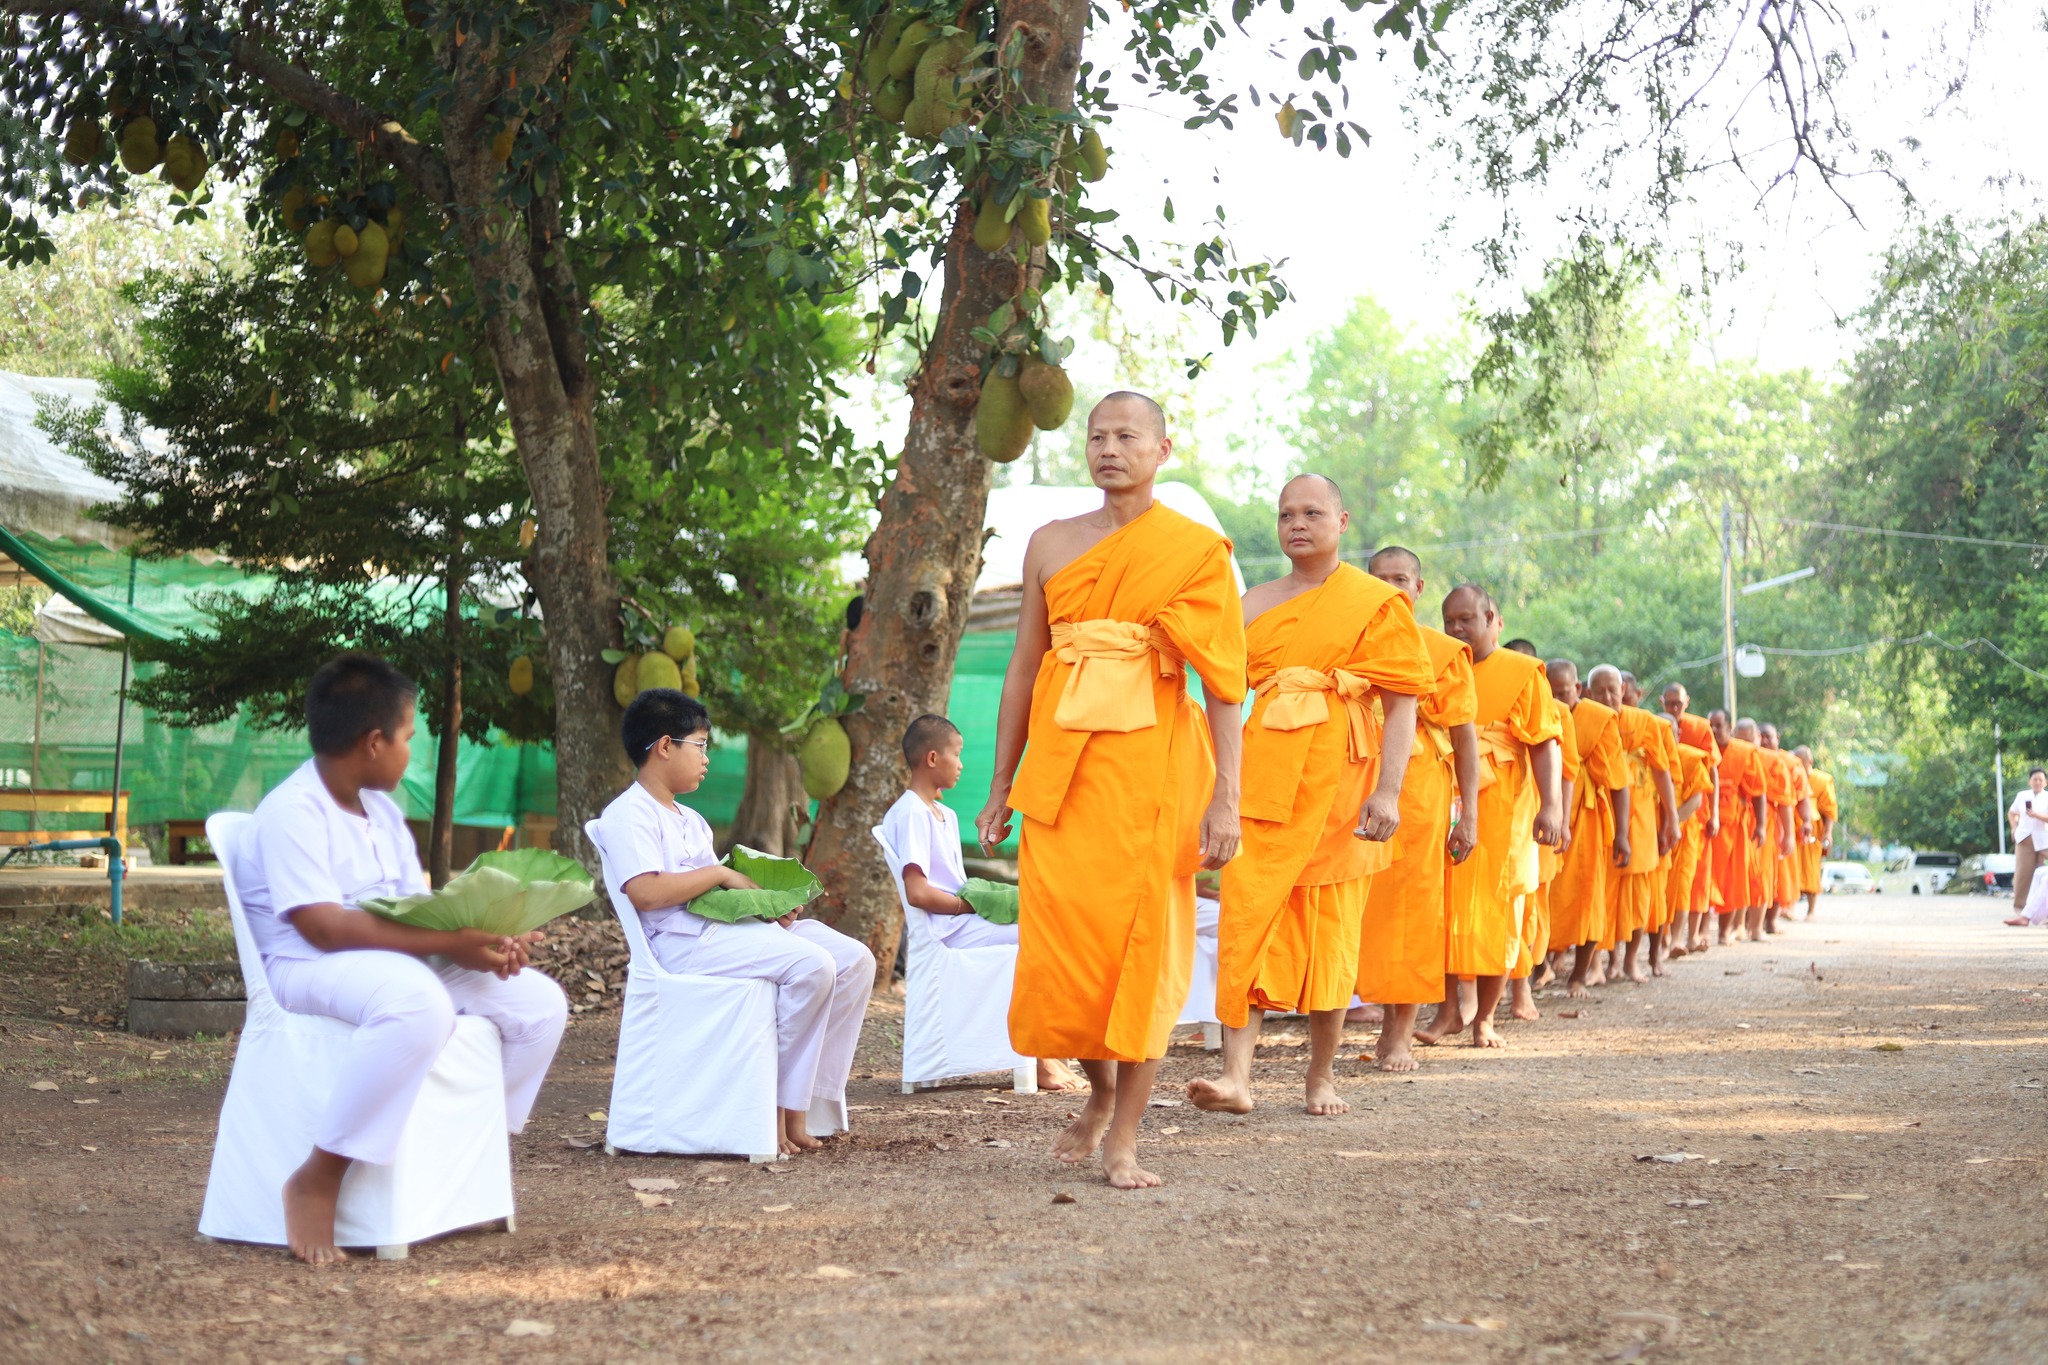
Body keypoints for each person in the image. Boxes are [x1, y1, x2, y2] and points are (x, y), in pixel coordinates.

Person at [975, 391, 1246, 1189]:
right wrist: (1000, 781)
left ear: (1163, 449)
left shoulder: (1196, 551)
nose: (1109, 447)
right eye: (1097, 435)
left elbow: (1225, 685)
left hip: (1155, 776)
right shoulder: (1050, 544)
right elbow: (1024, 668)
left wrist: (1225, 796)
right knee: (1065, 955)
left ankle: (1125, 1136)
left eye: (1128, 435)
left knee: (1144, 953)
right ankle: (1096, 1093)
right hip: (1064, 777)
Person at [231, 654, 568, 1264]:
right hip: (307, 966)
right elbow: (323, 927)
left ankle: (466, 1150)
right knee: (419, 1005)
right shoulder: (293, 812)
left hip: (392, 959)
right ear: (374, 741)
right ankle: (320, 1174)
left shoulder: (380, 810)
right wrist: (447, 946)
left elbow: (418, 909)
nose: (413, 750)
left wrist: (485, 937)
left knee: (540, 1006)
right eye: (410, 737)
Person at [1189, 477, 1431, 1117]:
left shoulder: (1376, 603)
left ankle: (1320, 1077)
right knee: (1246, 919)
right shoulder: (1250, 604)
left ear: (1342, 520)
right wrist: (1221, 788)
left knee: (1331, 932)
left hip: (1342, 783)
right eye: (1286, 514)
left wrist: (1388, 791)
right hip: (1264, 778)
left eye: (1312, 512)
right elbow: (1222, 694)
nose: (1298, 523)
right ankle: (1237, 1078)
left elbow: (1402, 700)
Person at [592, 689, 874, 1158]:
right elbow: (645, 892)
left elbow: (717, 897)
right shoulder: (628, 814)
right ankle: (778, 1111)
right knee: (813, 967)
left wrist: (766, 906)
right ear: (665, 746)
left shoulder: (692, 820)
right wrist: (722, 872)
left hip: (721, 932)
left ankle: (808, 1106)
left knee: (854, 961)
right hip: (680, 944)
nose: (706, 758)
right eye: (699, 746)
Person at [882, 714, 1082, 1092]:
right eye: (956, 755)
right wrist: (972, 906)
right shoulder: (910, 814)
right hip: (948, 930)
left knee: (1051, 930)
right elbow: (918, 893)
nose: (961, 764)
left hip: (961, 923)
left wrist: (979, 900)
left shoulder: (944, 813)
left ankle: (1046, 1049)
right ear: (931, 758)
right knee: (1038, 940)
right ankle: (1039, 1060)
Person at [1414, 586, 1562, 1048]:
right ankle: (1448, 1013)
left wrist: (1553, 805)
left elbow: (1544, 741)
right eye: (1448, 621)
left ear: (1491, 617)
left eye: (1465, 620)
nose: (1456, 629)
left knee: (1499, 912)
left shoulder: (1522, 673)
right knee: (1445, 909)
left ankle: (1485, 1020)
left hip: (1505, 809)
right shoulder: (1439, 664)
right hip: (1447, 796)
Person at [1353, 546, 1479, 1073]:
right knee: (1357, 908)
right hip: (1355, 776)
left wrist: (1468, 812)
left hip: (1420, 787)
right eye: (1379, 579)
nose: (1391, 588)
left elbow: (1465, 737)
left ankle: (1399, 1033)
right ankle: (1348, 1019)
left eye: (1401, 579)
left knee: (1412, 912)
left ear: (1419, 587)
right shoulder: (1347, 638)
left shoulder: (1442, 651)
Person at [1582, 666, 1675, 985]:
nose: (1607, 697)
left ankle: (1630, 961)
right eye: (1600, 692)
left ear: (1623, 688)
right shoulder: (1588, 717)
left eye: (1612, 690)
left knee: (1638, 894)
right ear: (1589, 693)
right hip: (1601, 810)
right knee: (1599, 893)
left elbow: (1662, 771)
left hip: (1642, 816)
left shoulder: (1645, 722)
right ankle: (1597, 964)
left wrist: (1672, 818)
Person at [1544, 660, 1630, 997]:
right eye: (1551, 693)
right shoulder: (1543, 711)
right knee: (1545, 894)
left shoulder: (1598, 719)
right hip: (1547, 814)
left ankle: (1579, 974)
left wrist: (1622, 834)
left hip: (1588, 820)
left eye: (1563, 693)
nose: (1557, 699)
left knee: (1588, 896)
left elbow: (1619, 782)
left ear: (1578, 689)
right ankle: (1540, 966)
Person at [1706, 710, 1767, 944]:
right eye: (1710, 725)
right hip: (1704, 826)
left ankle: (1723, 932)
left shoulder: (1743, 753)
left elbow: (1759, 791)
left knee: (1730, 882)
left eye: (1718, 725)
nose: (1713, 730)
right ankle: (1699, 933)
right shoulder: (1702, 748)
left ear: (1729, 727)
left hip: (1733, 828)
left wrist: (1761, 825)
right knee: (1703, 879)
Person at [1755, 723, 1804, 937]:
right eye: (1761, 737)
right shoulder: (1751, 756)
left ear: (1779, 738)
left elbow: (1798, 798)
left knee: (1777, 877)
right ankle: (1751, 924)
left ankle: (1771, 921)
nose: (1765, 741)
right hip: (1753, 823)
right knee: (1756, 875)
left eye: (1769, 737)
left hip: (1779, 826)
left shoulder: (1789, 763)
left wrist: (1800, 826)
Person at [1794, 745, 1837, 920]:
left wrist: (1828, 833)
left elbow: (1829, 811)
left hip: (1814, 832)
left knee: (1811, 869)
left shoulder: (1822, 780)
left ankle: (1811, 910)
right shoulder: (1792, 778)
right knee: (1791, 868)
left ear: (1809, 761)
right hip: (1794, 830)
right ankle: (1788, 907)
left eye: (1800, 763)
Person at [2010, 769, 2048, 914]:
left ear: (2045, 782)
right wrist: (2014, 827)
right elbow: (2012, 812)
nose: (2037, 782)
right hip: (2025, 838)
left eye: (2040, 779)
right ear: (2029, 781)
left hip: (2044, 839)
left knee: (2042, 874)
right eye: (2034, 779)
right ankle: (2020, 908)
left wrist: (2036, 815)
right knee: (2023, 873)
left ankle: (2042, 910)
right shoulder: (2022, 795)